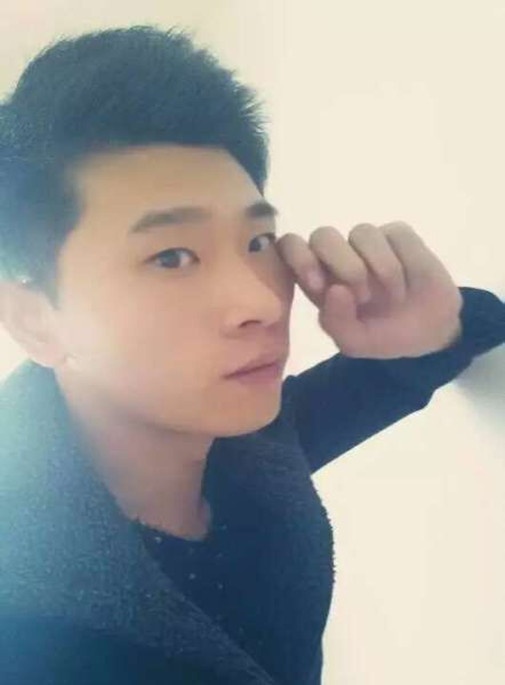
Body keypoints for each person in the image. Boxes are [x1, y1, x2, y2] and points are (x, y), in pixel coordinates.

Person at [0, 25, 503, 685]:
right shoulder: (23, 610)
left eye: (258, 242)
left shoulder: (247, 449)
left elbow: (417, 358)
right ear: (34, 319)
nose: (260, 301)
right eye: (171, 256)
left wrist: (429, 325)